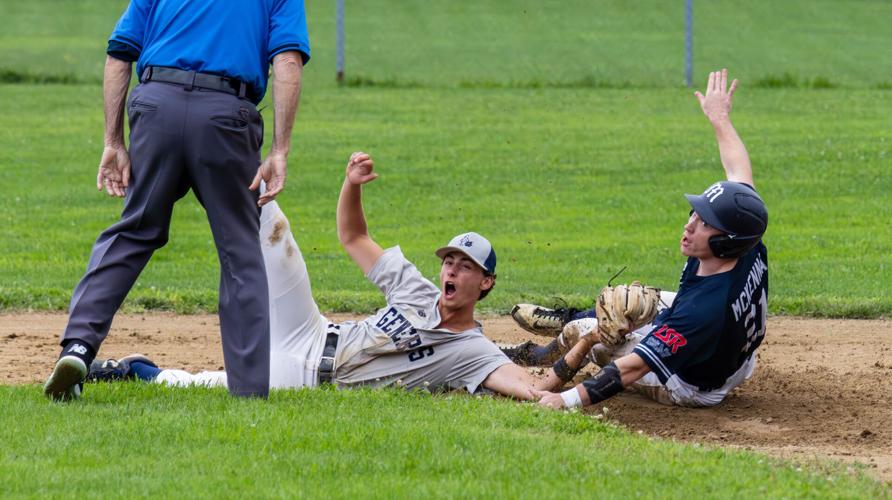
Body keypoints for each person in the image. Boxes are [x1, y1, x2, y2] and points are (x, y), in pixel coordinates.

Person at [86, 153, 589, 399]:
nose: (451, 270)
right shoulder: (416, 288)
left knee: (193, 388)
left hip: (306, 379)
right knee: (271, 222)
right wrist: (352, 185)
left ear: (486, 284)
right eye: (450, 261)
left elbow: (536, 386)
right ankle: (203, 152)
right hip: (308, 329)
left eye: (465, 267)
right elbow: (353, 236)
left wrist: (586, 345)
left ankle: (135, 370)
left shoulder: (472, 354)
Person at [43, 0, 310, 401]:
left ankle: (78, 348)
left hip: (156, 106)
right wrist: (280, 150)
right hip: (225, 117)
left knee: (134, 231)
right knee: (240, 249)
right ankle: (249, 394)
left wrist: (113, 141)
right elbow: (287, 60)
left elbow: (119, 54)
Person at [521, 69, 769, 409]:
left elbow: (630, 369)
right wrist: (719, 118)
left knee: (590, 333)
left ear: (725, 242)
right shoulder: (747, 232)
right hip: (730, 354)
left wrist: (564, 401)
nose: (690, 224)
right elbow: (738, 170)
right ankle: (573, 320)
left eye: (705, 223)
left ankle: (537, 354)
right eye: (695, 213)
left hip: (690, 384)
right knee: (626, 303)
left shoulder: (702, 312)